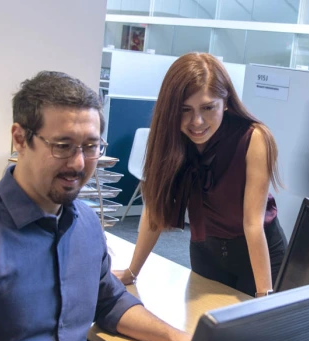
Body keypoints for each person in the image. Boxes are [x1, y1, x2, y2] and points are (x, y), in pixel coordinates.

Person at [0, 71, 191, 341]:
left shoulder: (83, 223)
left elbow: (109, 301)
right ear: (20, 139)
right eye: (62, 146)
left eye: (91, 146)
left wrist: (175, 336)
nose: (79, 164)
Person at [114, 53, 287, 298]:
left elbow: (252, 224)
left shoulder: (254, 138)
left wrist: (264, 296)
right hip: (206, 251)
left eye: (208, 108)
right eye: (185, 110)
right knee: (203, 328)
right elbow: (154, 209)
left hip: (260, 253)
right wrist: (132, 272)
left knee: (258, 331)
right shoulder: (170, 139)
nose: (196, 121)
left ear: (225, 102)